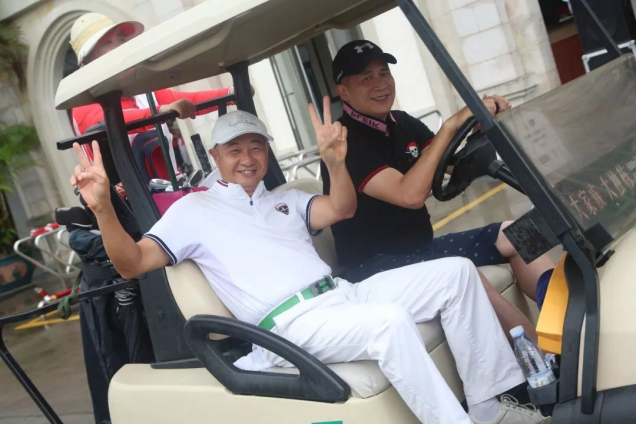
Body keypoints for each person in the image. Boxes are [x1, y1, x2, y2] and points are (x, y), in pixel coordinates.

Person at [70, 101, 546, 424]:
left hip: (341, 296)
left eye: (256, 146)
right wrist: (103, 208)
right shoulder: (192, 211)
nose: (247, 157)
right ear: (215, 155)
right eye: (234, 149)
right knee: (388, 323)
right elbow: (132, 263)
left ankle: (489, 407)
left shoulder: (284, 198)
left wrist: (336, 162)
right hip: (288, 327)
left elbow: (342, 208)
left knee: (456, 273)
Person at [322, 40, 554, 342]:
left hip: (420, 249)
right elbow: (409, 195)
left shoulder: (402, 123)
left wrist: (480, 130)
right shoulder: (344, 142)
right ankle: (542, 357)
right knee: (465, 274)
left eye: (384, 73)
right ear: (344, 92)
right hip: (375, 269)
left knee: (518, 234)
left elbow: (451, 162)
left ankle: (567, 321)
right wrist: (449, 126)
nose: (380, 84)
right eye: (367, 78)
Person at [68, 13, 236, 174]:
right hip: (126, 194)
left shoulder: (140, 91)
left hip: (170, 187)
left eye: (121, 39)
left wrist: (230, 93)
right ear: (89, 60)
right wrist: (161, 110)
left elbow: (184, 100)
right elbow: (112, 121)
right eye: (108, 42)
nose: (121, 46)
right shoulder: (83, 103)